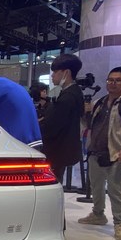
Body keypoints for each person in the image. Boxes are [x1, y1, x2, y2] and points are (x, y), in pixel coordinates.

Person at [78, 67, 121, 240]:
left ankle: (120, 224)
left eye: (118, 80)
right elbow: (88, 124)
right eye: (110, 79)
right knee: (96, 187)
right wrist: (85, 112)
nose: (113, 83)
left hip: (115, 152)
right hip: (94, 151)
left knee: (116, 189)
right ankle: (98, 214)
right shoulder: (99, 102)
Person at [38, 54, 84, 183]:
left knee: (51, 183)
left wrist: (39, 125)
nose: (52, 76)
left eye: (55, 72)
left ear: (66, 73)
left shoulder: (67, 97)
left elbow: (52, 127)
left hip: (57, 151)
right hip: (63, 151)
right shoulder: (74, 92)